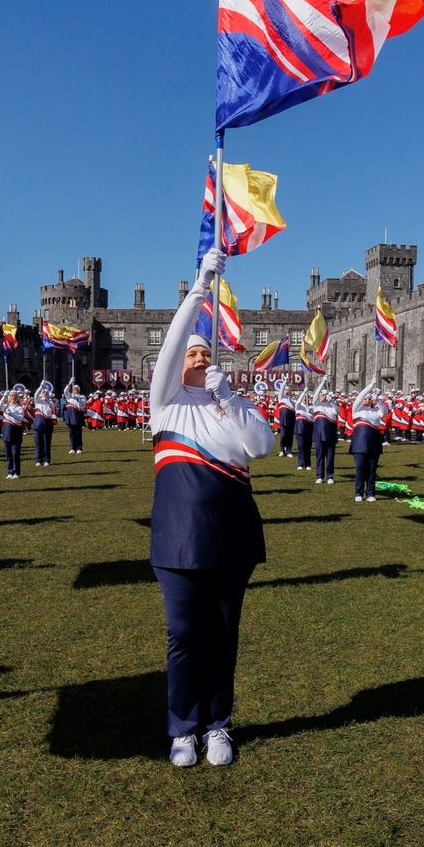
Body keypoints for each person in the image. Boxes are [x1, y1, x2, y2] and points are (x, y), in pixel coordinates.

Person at [148, 249, 274, 768]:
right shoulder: (165, 403)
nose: (199, 358)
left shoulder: (228, 404)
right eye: (192, 355)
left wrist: (235, 400)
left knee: (223, 634)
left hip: (232, 535)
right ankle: (183, 727)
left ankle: (218, 725)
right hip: (178, 537)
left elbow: (261, 447)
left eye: (206, 354)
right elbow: (172, 346)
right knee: (183, 635)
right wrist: (200, 286)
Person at [349, 378, 385, 502]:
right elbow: (359, 397)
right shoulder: (357, 410)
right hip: (359, 443)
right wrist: (370, 385)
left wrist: (379, 400)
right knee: (360, 468)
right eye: (366, 398)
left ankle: (370, 493)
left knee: (372, 469)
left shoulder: (376, 411)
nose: (367, 400)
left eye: (369, 399)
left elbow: (384, 412)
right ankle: (358, 493)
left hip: (374, 443)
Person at [311, 379, 338, 485]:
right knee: (319, 456)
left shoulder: (331, 406)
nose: (324, 397)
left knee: (330, 457)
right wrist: (323, 382)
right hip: (319, 434)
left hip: (330, 434)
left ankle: (330, 476)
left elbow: (337, 411)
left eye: (325, 395)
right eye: (322, 395)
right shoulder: (317, 405)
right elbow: (315, 395)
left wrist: (332, 401)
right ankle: (319, 476)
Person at [0, 389, 28, 478]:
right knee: (8, 454)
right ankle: (10, 471)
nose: (13, 397)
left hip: (16, 432)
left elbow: (19, 418)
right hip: (7, 431)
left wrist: (11, 414)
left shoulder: (20, 408)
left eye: (15, 396)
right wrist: (4, 396)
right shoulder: (6, 406)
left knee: (15, 453)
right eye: (11, 395)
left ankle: (16, 472)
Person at [32, 382, 57, 467]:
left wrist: (46, 399)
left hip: (47, 425)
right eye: (43, 393)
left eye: (46, 393)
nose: (44, 394)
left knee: (46, 444)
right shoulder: (38, 401)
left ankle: (47, 460)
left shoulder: (50, 402)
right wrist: (40, 387)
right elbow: (35, 395)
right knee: (38, 444)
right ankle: (39, 460)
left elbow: (52, 407)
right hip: (38, 425)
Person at [62, 381, 86, 454]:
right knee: (71, 433)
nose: (75, 390)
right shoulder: (69, 395)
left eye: (77, 389)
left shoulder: (82, 396)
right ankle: (72, 448)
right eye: (74, 388)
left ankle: (79, 448)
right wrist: (70, 382)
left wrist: (76, 398)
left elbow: (83, 404)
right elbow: (65, 390)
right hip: (70, 415)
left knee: (78, 433)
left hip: (78, 415)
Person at [275, 380, 296, 456]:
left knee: (290, 436)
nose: (286, 391)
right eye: (285, 389)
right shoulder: (281, 398)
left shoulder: (293, 399)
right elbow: (281, 390)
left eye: (288, 390)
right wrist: (285, 381)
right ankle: (281, 449)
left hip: (291, 418)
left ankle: (288, 450)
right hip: (284, 419)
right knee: (283, 435)